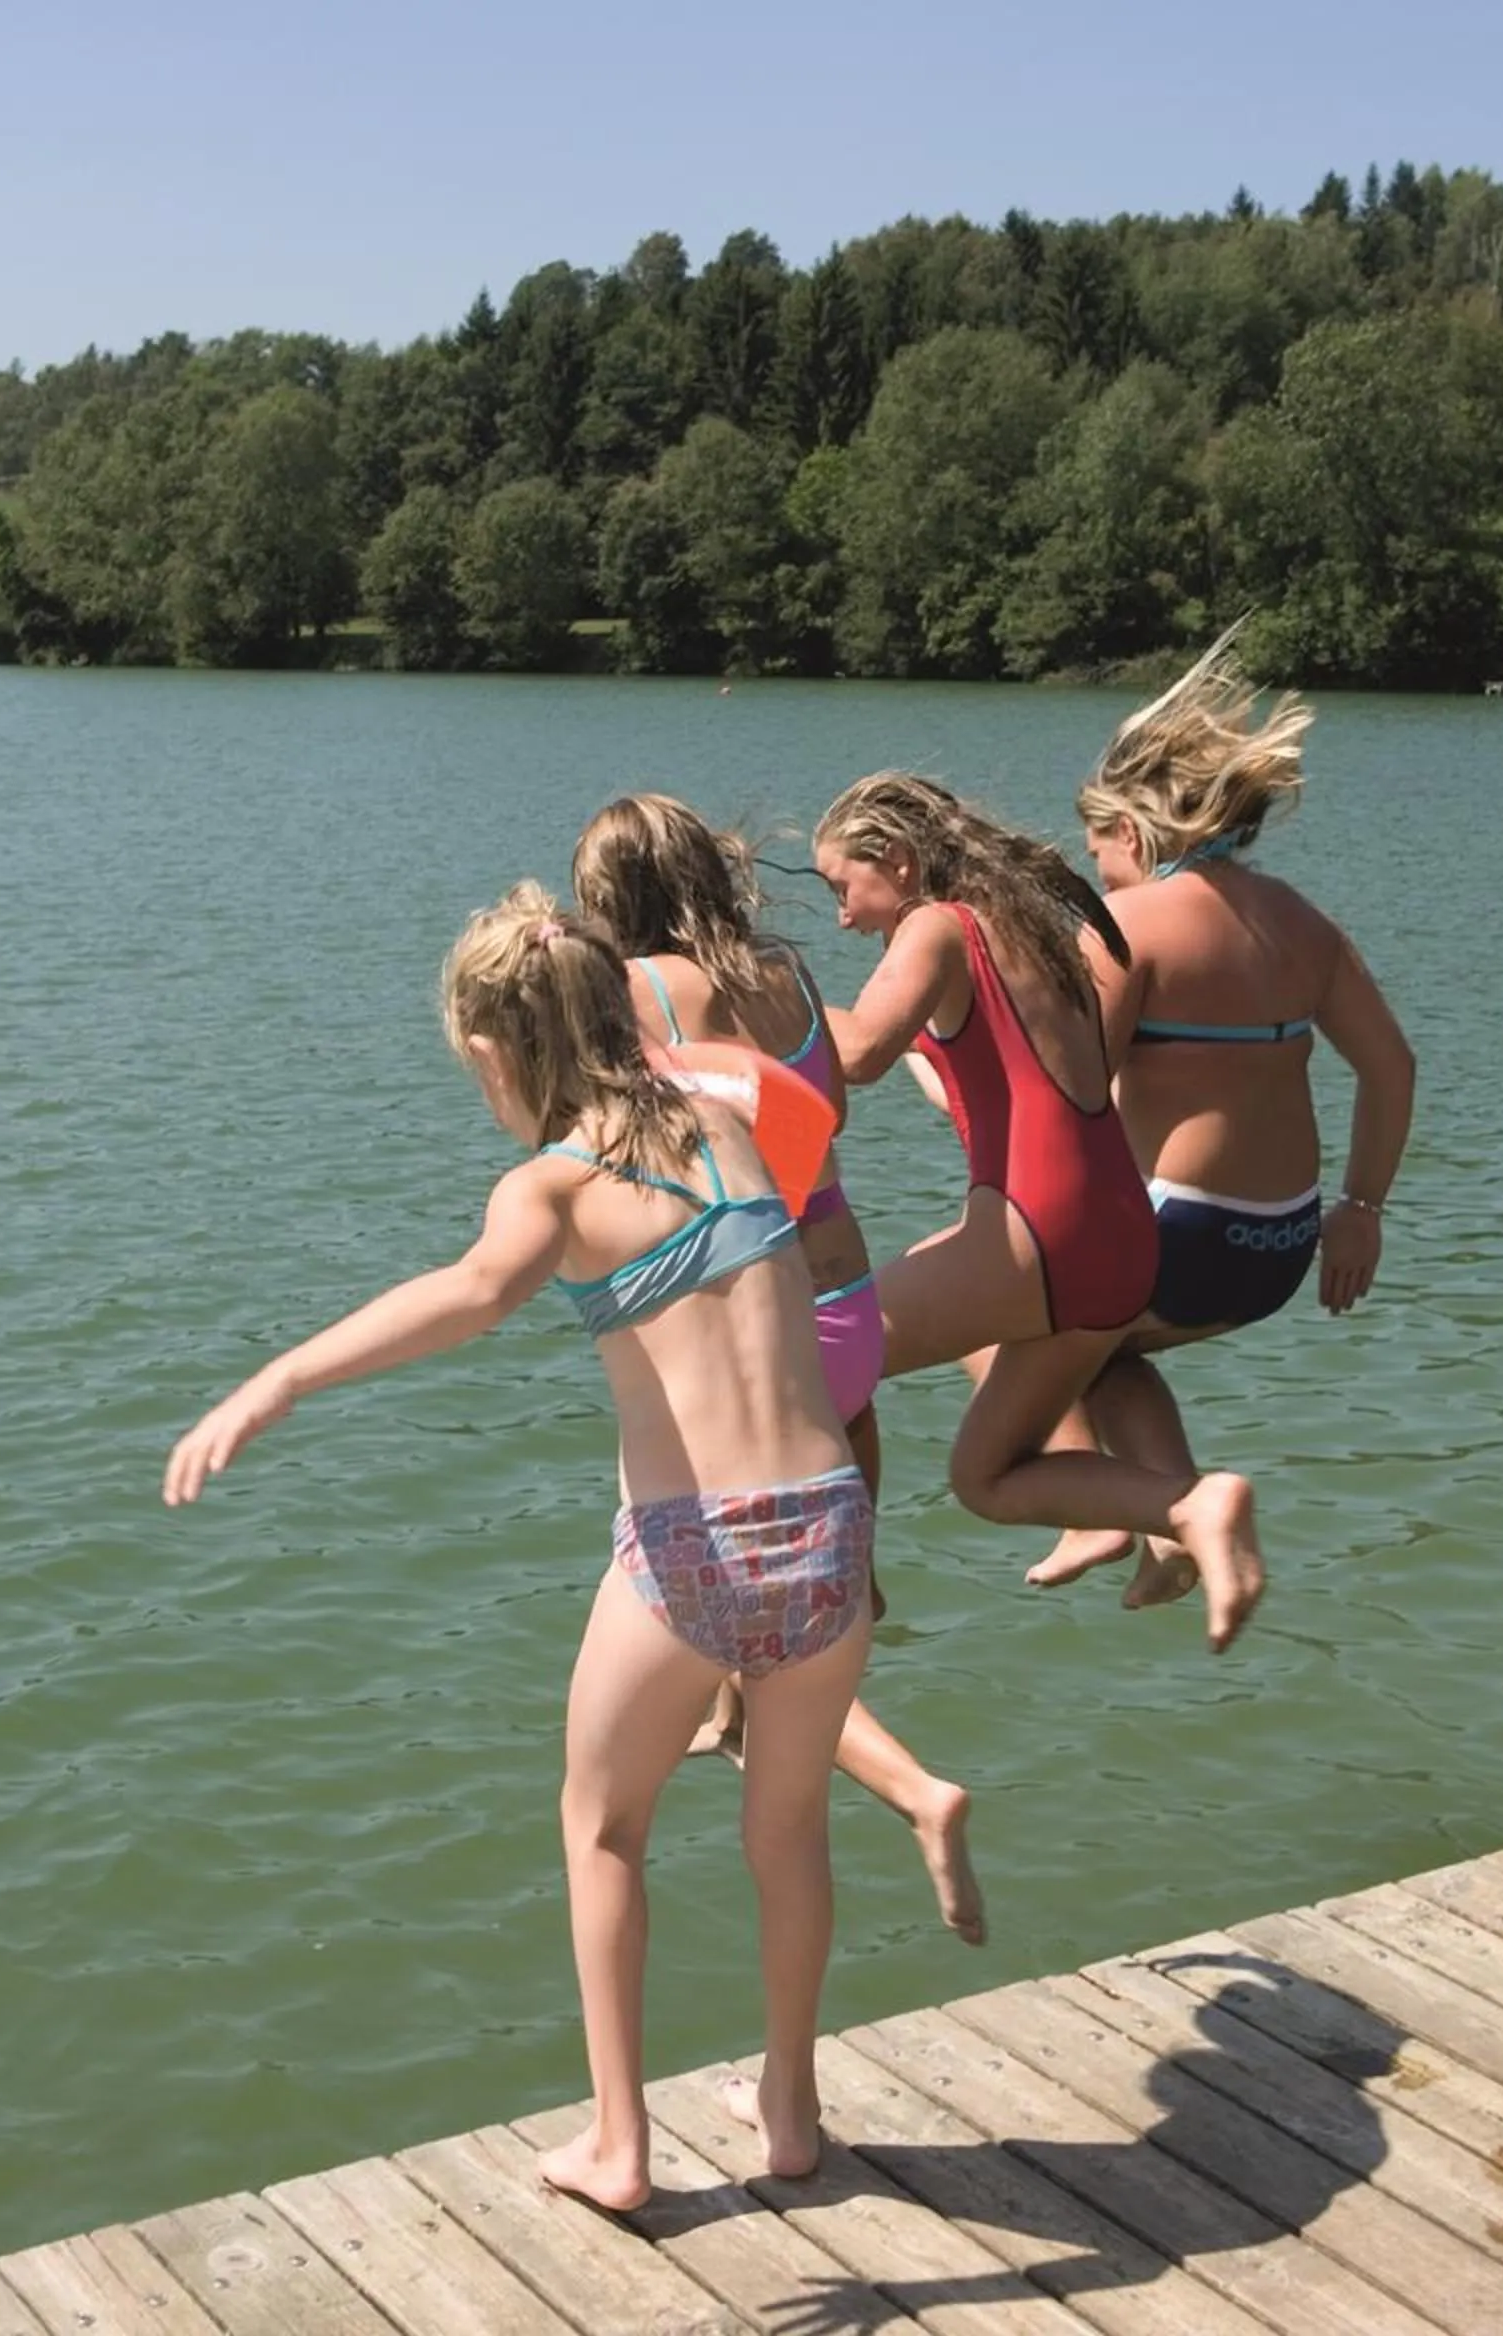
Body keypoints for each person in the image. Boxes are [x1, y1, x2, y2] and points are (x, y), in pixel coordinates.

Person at [164, 884, 872, 2211]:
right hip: (831, 1525)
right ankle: (789, 2107)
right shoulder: (731, 1130)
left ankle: (620, 2144)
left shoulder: (554, 1186)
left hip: (695, 1551)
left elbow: (465, 1297)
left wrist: (277, 1383)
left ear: (500, 1053)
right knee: (787, 1832)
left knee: (602, 1827)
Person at [573, 793, 983, 1946]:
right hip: (851, 1314)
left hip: (766, 1336)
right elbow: (825, 1107)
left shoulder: (639, 994)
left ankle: (915, 1790)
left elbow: (625, 1152)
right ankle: (754, 1688)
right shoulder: (790, 973)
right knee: (797, 1601)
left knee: (715, 1593)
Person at [809, 773, 1266, 1642]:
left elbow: (859, 1051)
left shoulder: (935, 925)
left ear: (898, 863)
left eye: (843, 888)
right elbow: (982, 1082)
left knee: (809, 1357)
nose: (843, 916)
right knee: (986, 1476)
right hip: (1122, 1239)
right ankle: (1187, 1505)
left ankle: (832, 1602)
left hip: (1038, 1230)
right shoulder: (1023, 927)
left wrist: (757, 1003)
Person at [1020, 638, 1415, 1621]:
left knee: (997, 1314)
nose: (1097, 874)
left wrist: (947, 1075)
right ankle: (1174, 1527)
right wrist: (1360, 1209)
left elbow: (1072, 1103)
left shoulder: (1132, 926)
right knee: (1110, 1351)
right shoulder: (1303, 923)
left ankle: (1107, 1512)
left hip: (1184, 1240)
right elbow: (1392, 1067)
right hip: (1278, 1249)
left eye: (1099, 852)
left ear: (1128, 828)